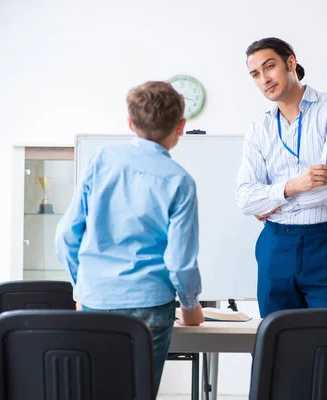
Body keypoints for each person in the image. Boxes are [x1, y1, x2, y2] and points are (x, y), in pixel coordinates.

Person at [55, 81, 204, 396]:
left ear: (130, 123)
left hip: (95, 298)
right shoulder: (180, 182)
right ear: (181, 126)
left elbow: (67, 234)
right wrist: (190, 307)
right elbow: (179, 262)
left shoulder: (102, 160)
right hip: (149, 305)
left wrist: (82, 288)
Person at [236, 37, 327, 317]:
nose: (264, 79)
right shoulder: (258, 129)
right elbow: (244, 199)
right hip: (276, 246)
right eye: (255, 74)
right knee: (278, 343)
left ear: (290, 62)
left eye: (270, 67)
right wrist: (293, 187)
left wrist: (270, 203)